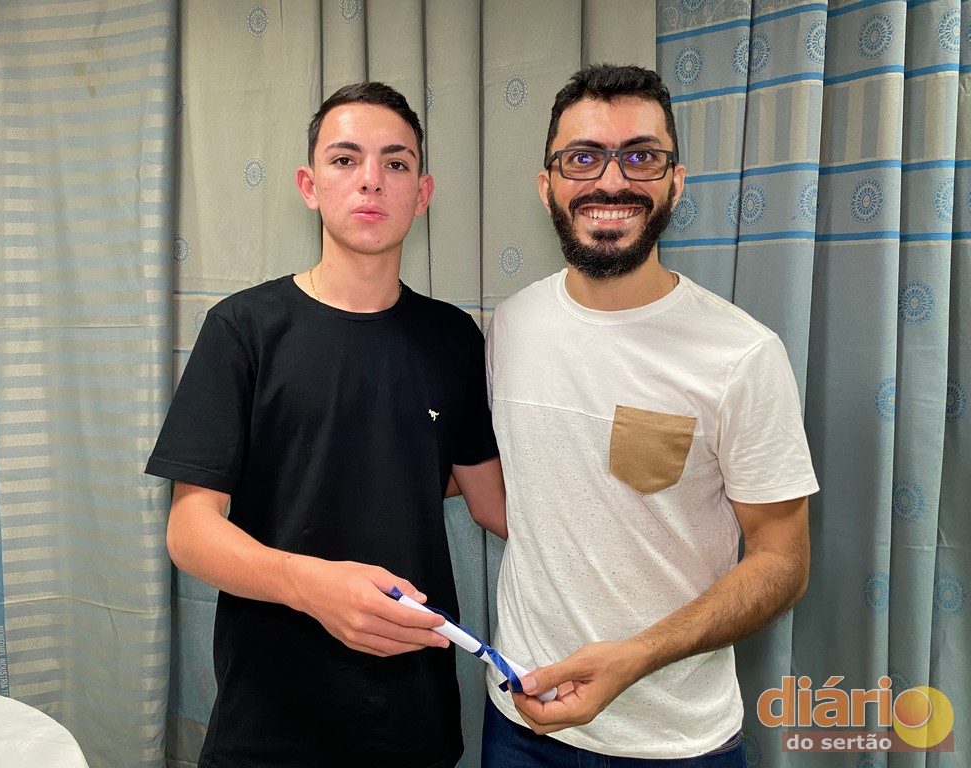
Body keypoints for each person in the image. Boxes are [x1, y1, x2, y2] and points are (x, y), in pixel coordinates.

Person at [146, 81, 506, 768]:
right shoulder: (243, 328)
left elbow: (494, 503)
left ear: (422, 193)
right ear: (309, 186)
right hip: (269, 718)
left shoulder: (453, 338)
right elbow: (189, 531)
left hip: (412, 718)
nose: (371, 179)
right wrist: (312, 586)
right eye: (345, 160)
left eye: (396, 163)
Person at [481, 64, 819, 766]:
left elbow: (783, 561)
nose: (611, 182)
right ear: (547, 185)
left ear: (676, 181)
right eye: (582, 158)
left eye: (641, 157)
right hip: (518, 720)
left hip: (677, 741)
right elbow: (536, 497)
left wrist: (636, 656)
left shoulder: (742, 354)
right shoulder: (510, 327)